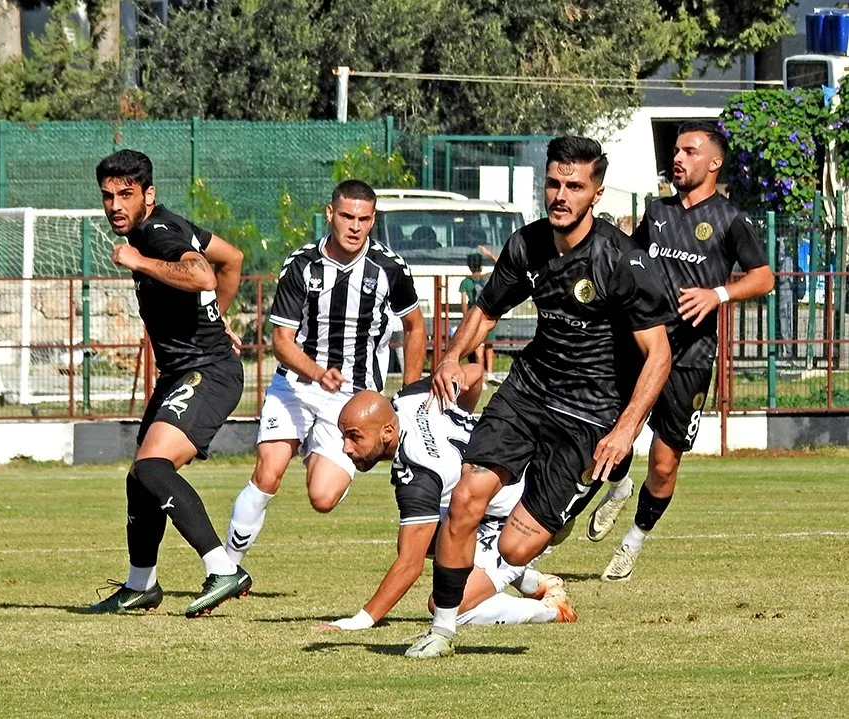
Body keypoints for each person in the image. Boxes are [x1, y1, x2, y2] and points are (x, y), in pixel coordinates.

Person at [406, 136, 674, 659]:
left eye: (574, 186)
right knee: (465, 496)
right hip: (528, 390)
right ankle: (441, 631)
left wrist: (624, 431)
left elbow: (658, 356)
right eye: (553, 183)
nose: (560, 194)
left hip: (589, 414)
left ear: (595, 194)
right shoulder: (526, 245)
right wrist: (451, 357)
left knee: (515, 547)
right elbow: (486, 309)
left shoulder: (622, 261)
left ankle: (570, 503)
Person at [587, 122, 774, 582]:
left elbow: (765, 277)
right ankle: (619, 486)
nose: (678, 158)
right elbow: (631, 262)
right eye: (676, 150)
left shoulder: (731, 219)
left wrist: (719, 295)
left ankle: (633, 542)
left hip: (691, 357)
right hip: (641, 346)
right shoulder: (657, 212)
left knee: (666, 463)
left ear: (713, 162)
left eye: (690, 151)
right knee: (612, 433)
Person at [223, 179, 427, 569]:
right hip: (297, 386)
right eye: (347, 216)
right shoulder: (301, 264)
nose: (355, 227)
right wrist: (317, 373)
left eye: (364, 219)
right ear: (330, 214)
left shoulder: (390, 269)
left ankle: (320, 447)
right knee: (268, 473)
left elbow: (415, 327)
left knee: (322, 498)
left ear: (373, 220)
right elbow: (281, 340)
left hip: (354, 401)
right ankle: (226, 570)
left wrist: (408, 393)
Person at [89, 149, 251, 618]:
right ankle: (142, 585)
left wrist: (140, 263)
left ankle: (223, 569)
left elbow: (201, 272)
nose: (116, 205)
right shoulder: (169, 225)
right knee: (140, 479)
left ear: (148, 195)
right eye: (108, 196)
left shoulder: (157, 233)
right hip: (183, 371)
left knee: (155, 468)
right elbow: (231, 259)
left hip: (209, 372)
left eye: (126, 194)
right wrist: (217, 316)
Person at [316, 376, 576, 632]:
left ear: (388, 431)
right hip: (501, 493)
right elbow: (473, 374)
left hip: (522, 516)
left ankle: (551, 610)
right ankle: (533, 582)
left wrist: (360, 621)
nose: (346, 448)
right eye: (344, 436)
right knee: (426, 538)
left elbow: (409, 565)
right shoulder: (412, 397)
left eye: (354, 437)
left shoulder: (418, 473)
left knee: (447, 605)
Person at [458, 252, 498, 384]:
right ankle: (490, 374)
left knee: (478, 348)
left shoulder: (466, 281)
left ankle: (480, 378)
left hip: (474, 317)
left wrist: (466, 317)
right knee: (489, 347)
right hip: (488, 315)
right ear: (481, 265)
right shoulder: (487, 277)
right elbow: (500, 265)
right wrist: (489, 254)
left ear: (469, 266)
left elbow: (463, 301)